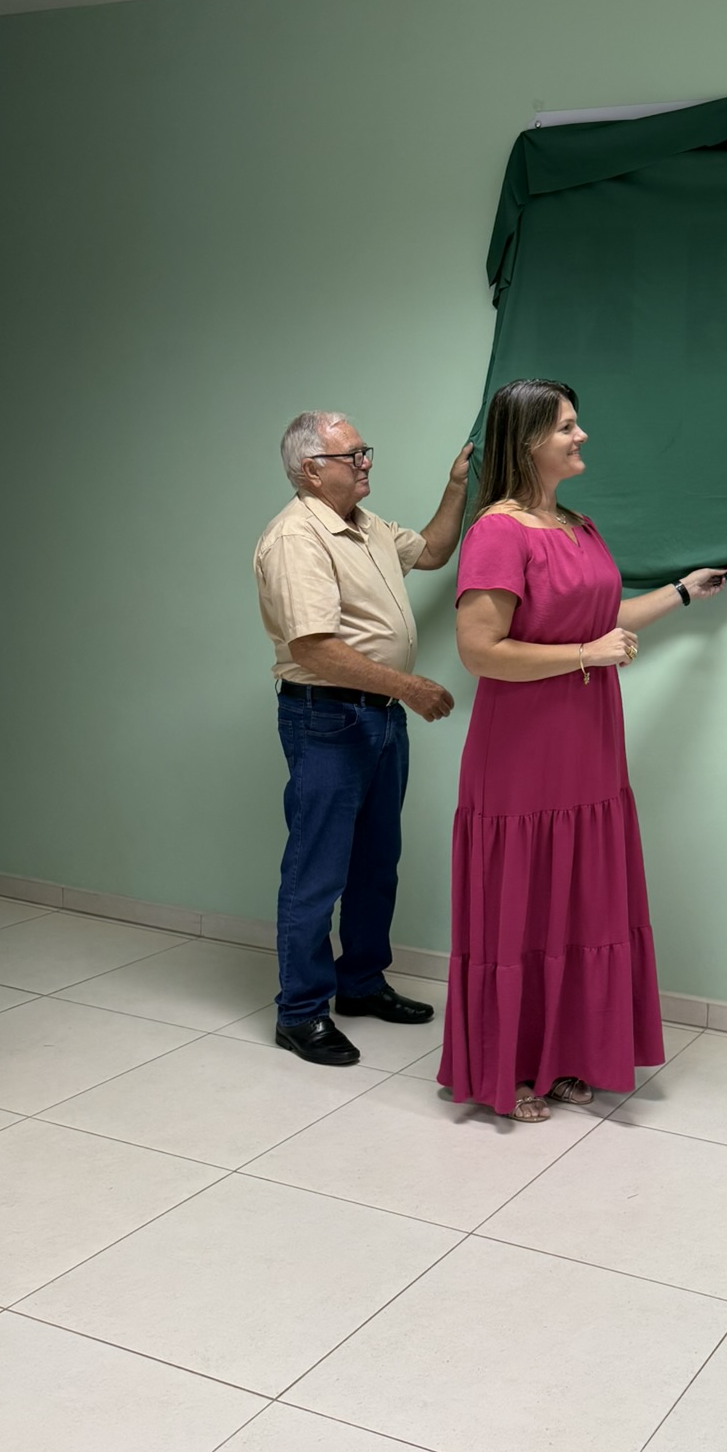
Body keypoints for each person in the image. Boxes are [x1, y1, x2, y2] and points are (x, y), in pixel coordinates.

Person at [439, 379, 727, 1121]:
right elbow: (479, 651)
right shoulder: (497, 533)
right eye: (567, 426)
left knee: (576, 902)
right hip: (522, 752)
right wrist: (583, 655)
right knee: (523, 902)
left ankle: (565, 1056)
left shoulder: (575, 524)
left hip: (589, 746)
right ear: (528, 439)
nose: (582, 436)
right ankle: (511, 1070)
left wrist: (683, 592)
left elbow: (602, 617)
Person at [254, 411, 471, 1065]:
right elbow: (314, 648)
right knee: (317, 869)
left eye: (364, 450)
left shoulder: (366, 526)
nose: (366, 461)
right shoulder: (296, 537)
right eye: (352, 455)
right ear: (310, 470)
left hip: (379, 717)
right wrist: (410, 687)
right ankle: (300, 1012)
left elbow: (432, 551)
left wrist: (456, 486)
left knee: (376, 862)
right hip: (327, 718)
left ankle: (361, 983)